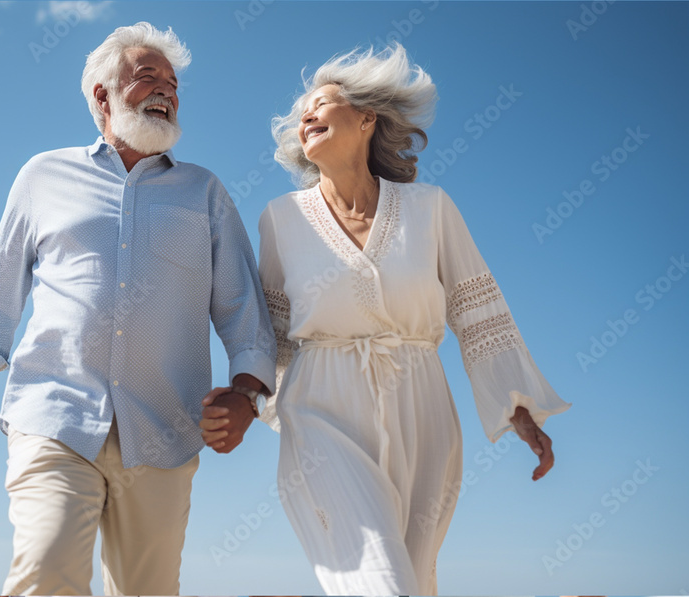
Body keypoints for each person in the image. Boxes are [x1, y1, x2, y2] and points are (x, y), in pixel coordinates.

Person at [200, 43, 571, 594]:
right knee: (379, 578)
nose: (306, 116)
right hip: (322, 407)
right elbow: (271, 330)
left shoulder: (431, 209)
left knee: (415, 579)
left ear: (367, 118)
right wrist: (248, 400)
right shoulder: (281, 219)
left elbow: (478, 311)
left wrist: (519, 408)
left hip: (423, 408)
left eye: (321, 103)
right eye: (302, 112)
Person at [0, 22, 276, 596]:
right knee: (45, 572)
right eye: (148, 76)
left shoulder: (204, 192)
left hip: (164, 427)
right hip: (54, 413)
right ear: (102, 93)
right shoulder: (43, 175)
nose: (166, 91)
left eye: (174, 84)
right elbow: (1, 283)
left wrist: (247, 394)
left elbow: (241, 304)